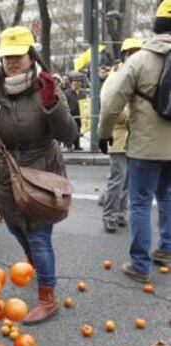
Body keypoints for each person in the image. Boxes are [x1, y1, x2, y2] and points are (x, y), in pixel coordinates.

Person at [0, 26, 77, 323]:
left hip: (41, 169)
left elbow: (69, 133)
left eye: (17, 56)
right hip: (6, 171)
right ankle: (35, 262)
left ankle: (47, 298)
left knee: (38, 234)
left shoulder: (46, 85)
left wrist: (52, 105)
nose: (11, 62)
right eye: (6, 57)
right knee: (14, 227)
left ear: (30, 55)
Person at [98, 0, 171, 282]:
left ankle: (140, 265)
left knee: (140, 202)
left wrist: (104, 134)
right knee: (166, 195)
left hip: (145, 146)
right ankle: (166, 248)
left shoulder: (140, 59)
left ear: (156, 26)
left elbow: (111, 102)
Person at [100, 38, 144, 233]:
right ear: (123, 57)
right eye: (131, 53)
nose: (135, 57)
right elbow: (110, 109)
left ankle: (119, 213)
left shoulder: (138, 76)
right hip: (117, 136)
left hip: (133, 137)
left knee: (128, 180)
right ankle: (109, 214)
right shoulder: (114, 78)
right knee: (118, 177)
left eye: (138, 53)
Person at [65, 73, 86, 150]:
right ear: (72, 82)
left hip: (80, 114)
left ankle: (77, 145)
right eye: (75, 81)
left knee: (78, 130)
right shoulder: (67, 92)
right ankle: (69, 145)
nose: (77, 83)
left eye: (79, 81)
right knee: (70, 130)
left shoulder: (83, 92)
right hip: (71, 114)